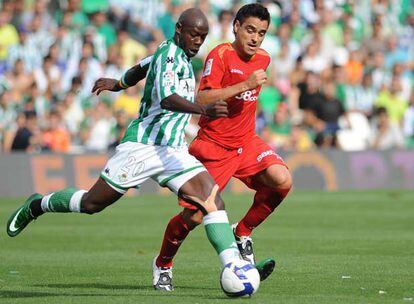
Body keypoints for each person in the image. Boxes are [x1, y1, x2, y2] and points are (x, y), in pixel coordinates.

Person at [6, 8, 247, 293]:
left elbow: (139, 68)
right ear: (179, 29)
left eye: (203, 37)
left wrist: (119, 84)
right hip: (142, 146)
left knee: (211, 199)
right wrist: (203, 109)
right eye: (194, 35)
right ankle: (37, 205)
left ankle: (234, 266)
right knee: (92, 204)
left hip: (172, 150)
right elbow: (168, 99)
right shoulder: (168, 57)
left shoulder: (174, 54)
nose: (198, 41)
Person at [92, 3, 293, 291]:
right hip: (214, 145)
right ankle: (163, 263)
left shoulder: (264, 58)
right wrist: (244, 84)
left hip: (246, 141)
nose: (255, 38)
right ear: (236, 27)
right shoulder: (220, 55)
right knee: (194, 216)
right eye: (250, 30)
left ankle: (242, 232)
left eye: (261, 33)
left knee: (281, 180)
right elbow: (204, 97)